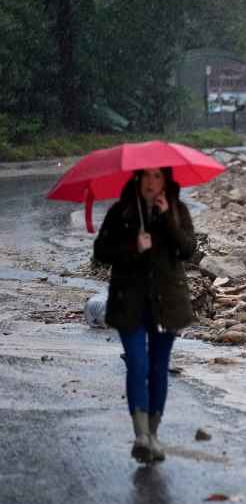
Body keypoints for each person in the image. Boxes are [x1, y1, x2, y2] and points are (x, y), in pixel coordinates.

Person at [93, 167, 196, 463]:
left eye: (158, 177)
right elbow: (101, 251)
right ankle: (140, 435)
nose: (152, 183)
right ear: (137, 179)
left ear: (166, 181)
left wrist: (167, 220)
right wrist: (132, 247)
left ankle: (154, 435)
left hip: (167, 304)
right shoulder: (120, 211)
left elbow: (188, 250)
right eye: (147, 176)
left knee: (158, 367)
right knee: (137, 364)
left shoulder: (178, 209)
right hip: (130, 302)